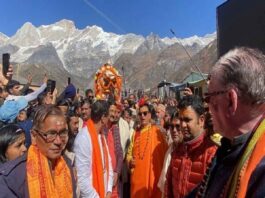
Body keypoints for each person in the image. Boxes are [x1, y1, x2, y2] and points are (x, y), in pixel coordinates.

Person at [194, 47, 265, 198]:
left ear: (231, 101)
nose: (208, 107)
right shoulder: (230, 145)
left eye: (209, 97)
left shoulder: (261, 169)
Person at [0, 105, 77, 197]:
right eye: (51, 134)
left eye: (63, 133)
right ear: (33, 136)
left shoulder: (66, 166)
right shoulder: (12, 177)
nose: (58, 141)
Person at [164, 96, 217, 198]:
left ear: (201, 120)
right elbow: (168, 189)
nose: (183, 125)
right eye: (181, 119)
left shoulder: (212, 154)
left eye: (187, 120)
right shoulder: (177, 152)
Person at [126, 103, 168, 198]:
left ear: (150, 115)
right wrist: (129, 161)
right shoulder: (135, 133)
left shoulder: (157, 132)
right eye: (140, 114)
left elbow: (166, 155)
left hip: (154, 178)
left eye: (145, 113)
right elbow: (129, 154)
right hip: (138, 180)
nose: (142, 116)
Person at [74, 100, 113, 198]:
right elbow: (82, 180)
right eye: (108, 116)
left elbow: (109, 164)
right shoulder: (83, 138)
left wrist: (109, 190)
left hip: (104, 193)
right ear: (103, 118)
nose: (109, 119)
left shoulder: (101, 135)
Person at [158, 110, 183, 197]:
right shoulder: (170, 150)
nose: (174, 130)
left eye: (177, 126)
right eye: (172, 127)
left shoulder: (188, 151)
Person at [104, 103, 123, 198]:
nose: (114, 114)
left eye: (115, 112)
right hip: (104, 175)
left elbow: (120, 152)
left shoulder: (115, 128)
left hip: (114, 178)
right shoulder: (102, 129)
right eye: (111, 111)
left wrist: (117, 172)